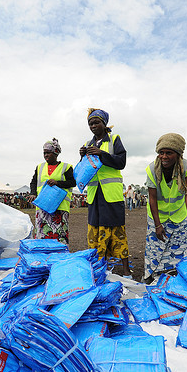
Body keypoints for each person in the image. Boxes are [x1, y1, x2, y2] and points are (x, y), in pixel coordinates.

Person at [79, 108, 131, 276]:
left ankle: (126, 270)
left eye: (96, 122)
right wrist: (81, 157)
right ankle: (99, 268)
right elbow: (85, 170)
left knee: (117, 231)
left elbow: (121, 162)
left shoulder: (115, 139)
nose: (93, 126)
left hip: (111, 196)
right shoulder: (88, 144)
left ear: (104, 124)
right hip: (95, 196)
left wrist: (102, 154)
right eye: (90, 123)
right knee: (95, 231)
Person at [144, 133, 187, 283]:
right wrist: (157, 225)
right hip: (157, 217)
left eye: (169, 153)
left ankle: (177, 280)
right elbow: (152, 198)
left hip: (179, 215)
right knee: (155, 250)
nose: (164, 156)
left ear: (178, 154)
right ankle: (152, 278)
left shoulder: (186, 167)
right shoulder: (151, 169)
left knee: (180, 250)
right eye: (161, 153)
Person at [29, 138, 76, 245]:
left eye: (48, 153)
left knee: (59, 235)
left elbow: (73, 182)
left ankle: (60, 257)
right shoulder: (39, 167)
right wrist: (32, 193)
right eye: (44, 153)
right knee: (42, 234)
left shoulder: (66, 167)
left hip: (59, 207)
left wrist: (57, 183)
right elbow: (33, 182)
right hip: (42, 206)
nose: (45, 155)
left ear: (56, 153)